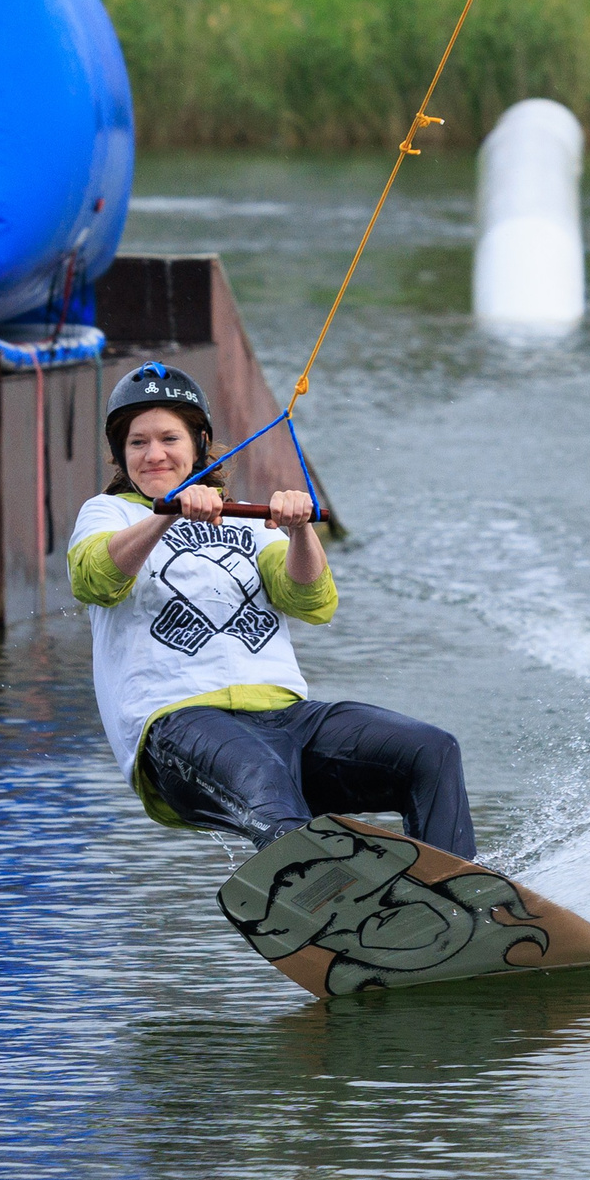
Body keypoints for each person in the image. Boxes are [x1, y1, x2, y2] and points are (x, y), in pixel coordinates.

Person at [69, 363, 479, 858]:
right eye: (138, 443)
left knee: (430, 750)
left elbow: (312, 601)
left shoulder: (247, 521)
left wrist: (300, 529)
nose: (154, 454)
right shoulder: (108, 513)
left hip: (285, 719)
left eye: (168, 439)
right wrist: (168, 513)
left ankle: (451, 890)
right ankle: (324, 903)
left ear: (198, 443)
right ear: (120, 454)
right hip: (178, 730)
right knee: (268, 787)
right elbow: (94, 579)